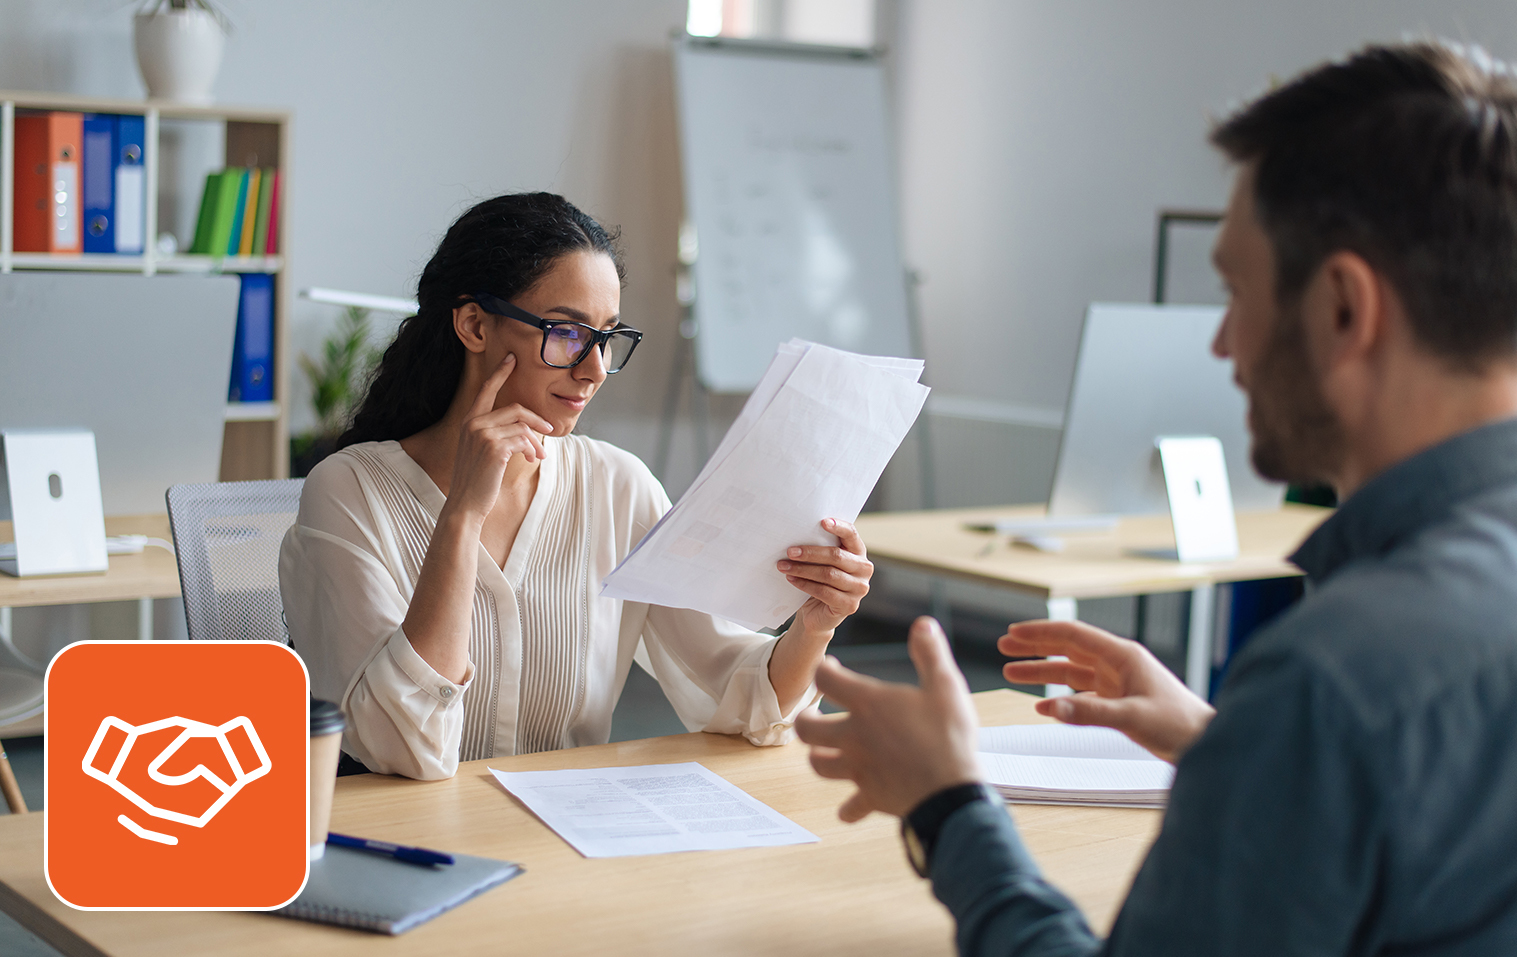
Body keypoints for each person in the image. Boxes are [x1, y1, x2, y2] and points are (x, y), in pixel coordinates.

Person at [795, 41, 1517, 954]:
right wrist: (1229, 747)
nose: (1222, 345)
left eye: (1234, 291)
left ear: (1341, 308)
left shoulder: (1333, 678)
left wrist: (948, 807)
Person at [280, 193, 873, 780]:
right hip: (406, 849)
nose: (592, 370)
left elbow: (739, 697)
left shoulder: (618, 485)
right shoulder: (348, 491)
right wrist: (461, 516)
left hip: (565, 844)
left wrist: (814, 624)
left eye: (607, 337)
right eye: (565, 333)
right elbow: (401, 749)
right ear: (473, 324)